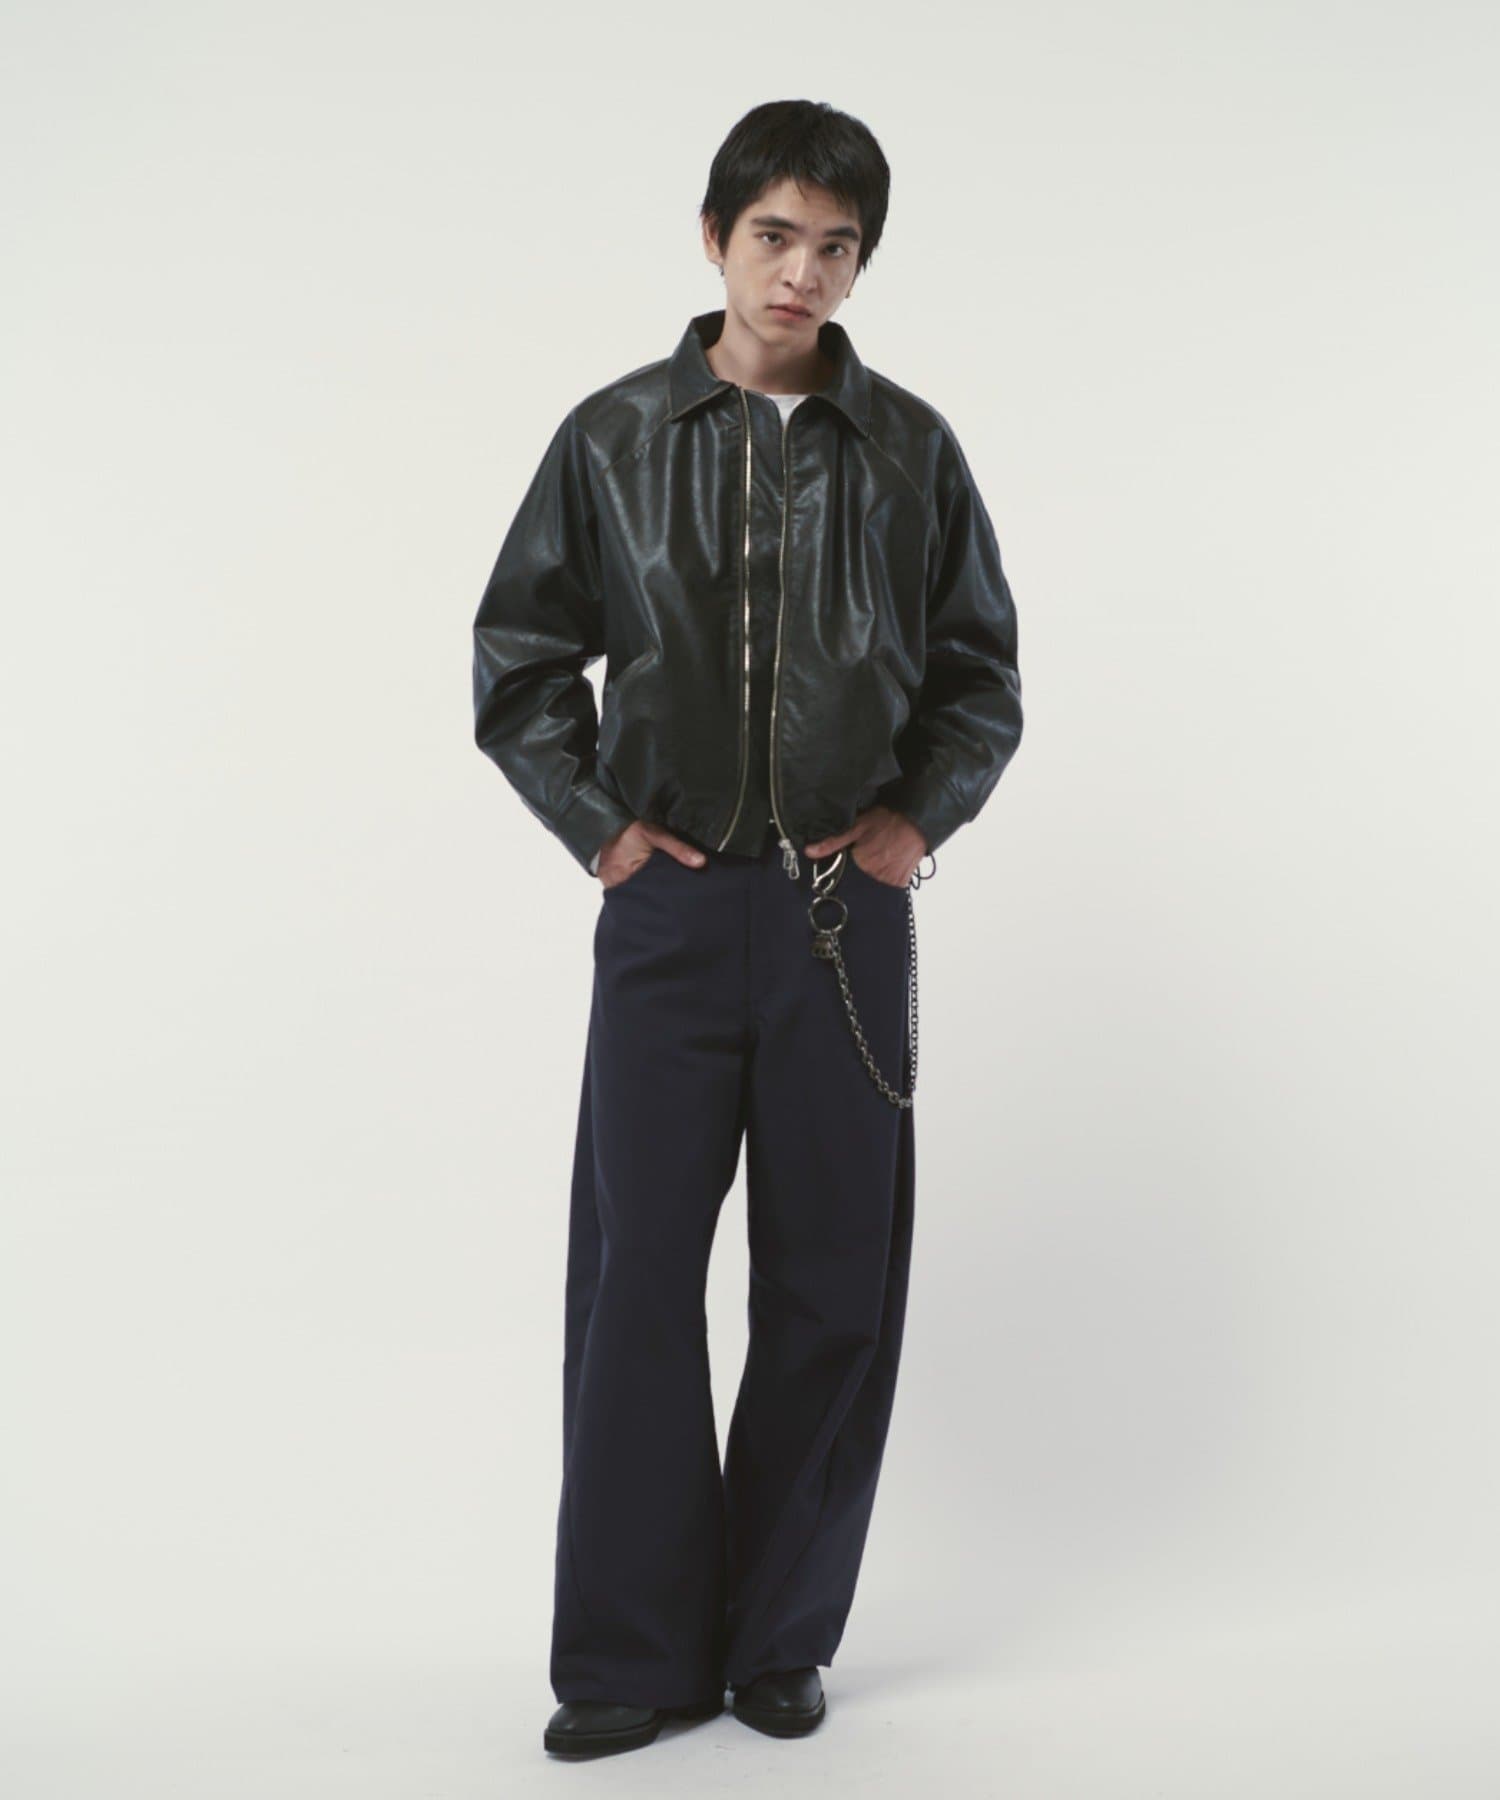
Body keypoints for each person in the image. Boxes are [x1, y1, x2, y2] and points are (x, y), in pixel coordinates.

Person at [471, 98, 1023, 1761]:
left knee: (832, 1281)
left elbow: (980, 677)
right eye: (776, 235)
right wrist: (600, 829)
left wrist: (915, 821)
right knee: (638, 1275)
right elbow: (519, 661)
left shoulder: (911, 450)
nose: (803, 273)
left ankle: (780, 1636)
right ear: (716, 237)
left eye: (836, 247)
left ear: (861, 264)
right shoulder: (614, 438)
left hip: (847, 919)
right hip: (671, 911)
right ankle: (629, 1656)